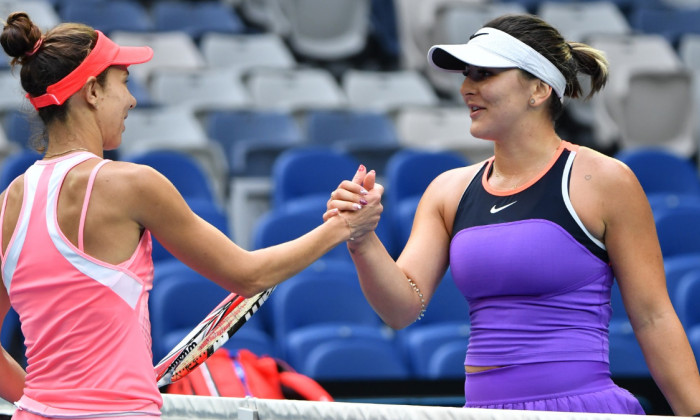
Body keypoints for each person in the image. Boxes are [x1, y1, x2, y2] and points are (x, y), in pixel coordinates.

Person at [0, 13, 382, 420]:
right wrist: (342, 226)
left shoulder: (9, 202)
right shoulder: (132, 184)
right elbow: (248, 275)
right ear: (93, 91)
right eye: (123, 83)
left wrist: (48, 403)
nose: (131, 100)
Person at [326, 13, 700, 416]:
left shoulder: (604, 180)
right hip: (483, 410)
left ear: (538, 89)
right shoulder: (447, 190)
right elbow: (401, 308)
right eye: (467, 75)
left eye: (484, 74)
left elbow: (653, 317)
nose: (466, 88)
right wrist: (362, 238)